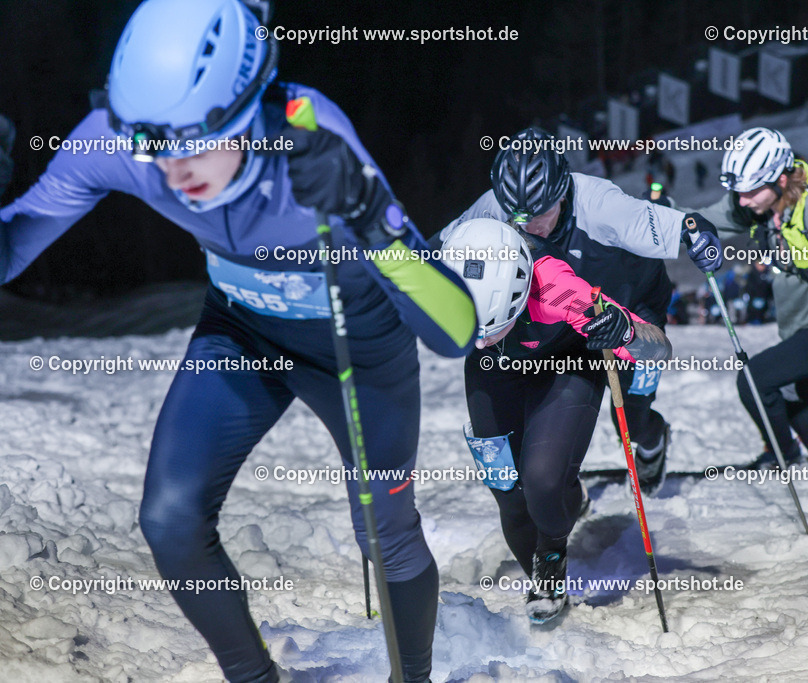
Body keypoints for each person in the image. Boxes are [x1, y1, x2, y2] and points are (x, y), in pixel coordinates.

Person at [0, 1, 477, 681]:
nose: (172, 171)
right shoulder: (123, 138)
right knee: (169, 520)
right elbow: (12, 251)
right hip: (243, 331)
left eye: (192, 143)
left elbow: (454, 329)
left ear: (248, 106)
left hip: (358, 350)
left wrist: (372, 215)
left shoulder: (311, 137)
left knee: (386, 533)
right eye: (150, 146)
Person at [441, 126, 723, 494]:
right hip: (577, 311)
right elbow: (438, 250)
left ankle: (653, 441)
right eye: (515, 213)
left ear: (563, 191)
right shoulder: (494, 205)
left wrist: (696, 231)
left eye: (540, 211)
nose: (525, 225)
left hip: (632, 302)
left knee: (631, 417)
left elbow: (670, 221)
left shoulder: (599, 202)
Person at [441, 217, 672, 624]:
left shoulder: (555, 286)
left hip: (565, 365)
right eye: (474, 331)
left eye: (494, 327)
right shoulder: (445, 268)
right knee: (507, 490)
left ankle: (551, 549)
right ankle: (542, 562)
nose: (483, 339)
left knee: (543, 482)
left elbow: (658, 350)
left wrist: (624, 332)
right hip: (492, 371)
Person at [680, 127, 808, 470]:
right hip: (800, 327)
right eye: (738, 192)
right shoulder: (752, 208)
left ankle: (784, 455)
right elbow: (700, 219)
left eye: (749, 192)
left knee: (754, 379)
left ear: (780, 180)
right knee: (799, 401)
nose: (742, 200)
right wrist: (662, 214)